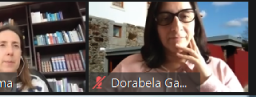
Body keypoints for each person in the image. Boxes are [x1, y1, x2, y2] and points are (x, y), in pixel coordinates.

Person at [104, 1, 244, 92]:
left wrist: (207, 81)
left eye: (185, 16)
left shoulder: (219, 69)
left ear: (195, 22)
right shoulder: (128, 67)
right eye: (165, 18)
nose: (176, 27)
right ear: (154, 27)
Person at [0, 24, 49, 93]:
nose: (10, 51)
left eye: (15, 46)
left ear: (21, 54)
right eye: (2, 45)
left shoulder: (38, 85)